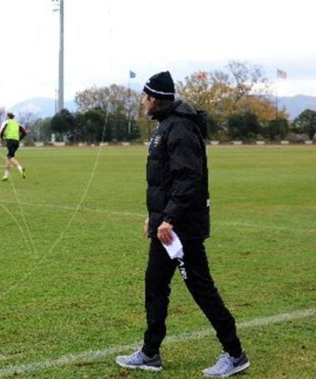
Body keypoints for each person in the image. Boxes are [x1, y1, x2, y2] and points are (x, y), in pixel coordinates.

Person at [115, 71, 249, 377]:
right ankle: (150, 353)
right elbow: (164, 179)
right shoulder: (166, 125)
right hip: (165, 226)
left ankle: (235, 353)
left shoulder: (181, 128)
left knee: (201, 288)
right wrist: (155, 215)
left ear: (157, 100)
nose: (142, 102)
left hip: (181, 228)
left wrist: (170, 218)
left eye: (145, 97)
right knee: (155, 285)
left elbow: (188, 178)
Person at [0, 113, 27, 181]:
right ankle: (6, 176)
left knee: (10, 157)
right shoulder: (17, 123)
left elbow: (1, 131)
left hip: (10, 141)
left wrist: (1, 138)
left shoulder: (7, 122)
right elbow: (24, 133)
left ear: (8, 117)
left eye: (6, 116)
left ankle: (21, 169)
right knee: (8, 157)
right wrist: (19, 139)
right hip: (16, 142)